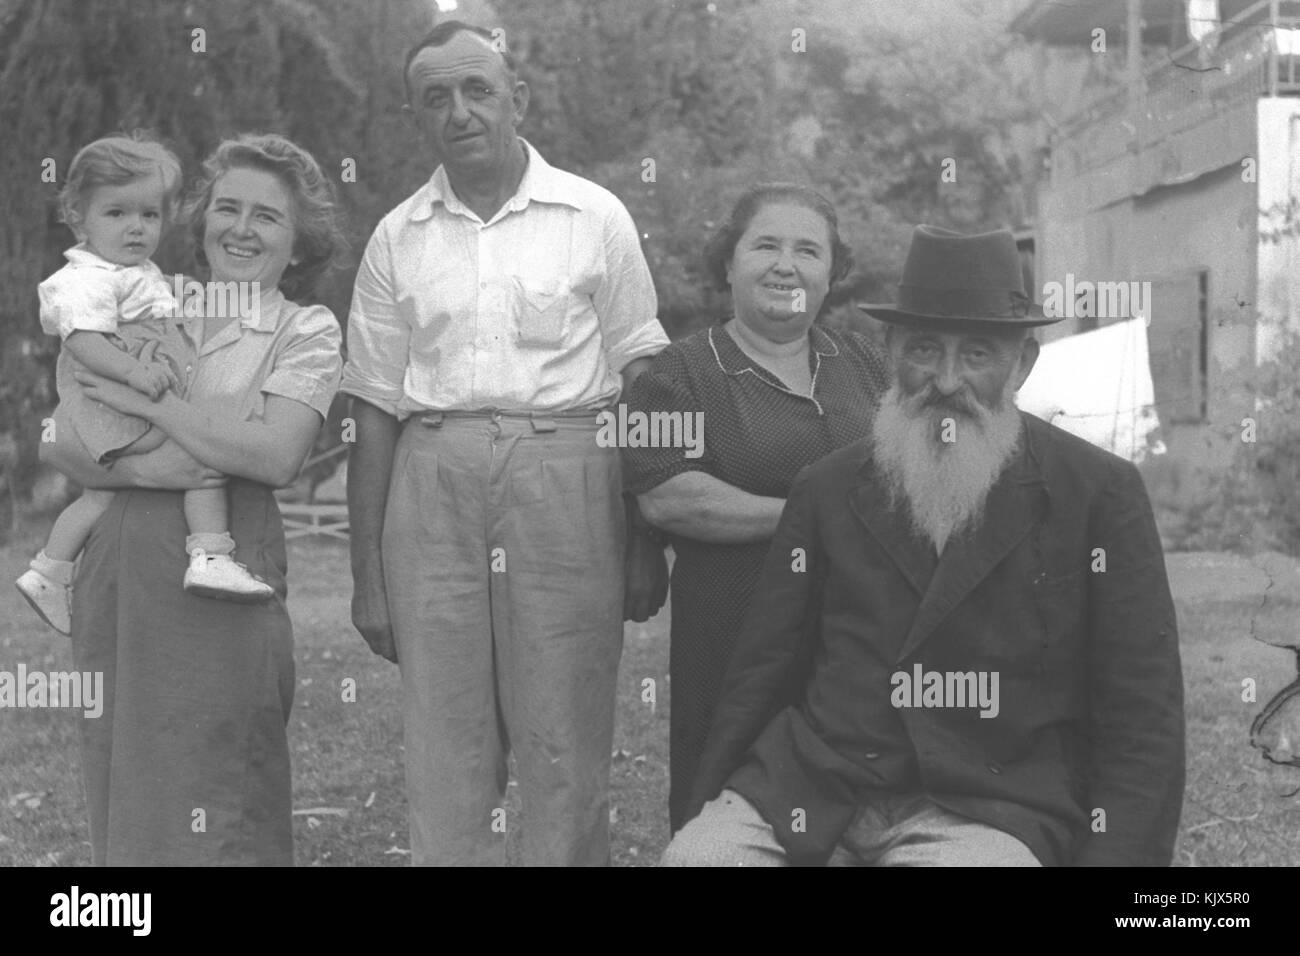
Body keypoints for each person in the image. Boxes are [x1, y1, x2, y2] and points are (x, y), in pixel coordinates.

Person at [661, 225, 1186, 866]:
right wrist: (702, 815)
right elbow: (761, 675)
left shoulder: (1098, 494)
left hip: (988, 807)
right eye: (925, 350)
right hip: (814, 790)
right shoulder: (826, 489)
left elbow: (1143, 716)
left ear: (1021, 364)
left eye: (976, 356)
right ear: (890, 352)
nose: (945, 380)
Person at [342, 20, 669, 866]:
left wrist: (644, 538)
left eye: (477, 89)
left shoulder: (594, 215)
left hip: (568, 474)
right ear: (418, 115)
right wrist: (367, 577)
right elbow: (373, 406)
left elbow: (643, 373)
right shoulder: (395, 236)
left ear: (516, 97)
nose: (460, 111)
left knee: (564, 737)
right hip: (434, 479)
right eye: (436, 98)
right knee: (444, 744)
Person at [40, 133, 346, 865]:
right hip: (117, 569)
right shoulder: (142, 294)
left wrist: (153, 408)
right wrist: (162, 467)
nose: (241, 229)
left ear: (299, 242)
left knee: (220, 784)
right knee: (124, 773)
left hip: (222, 575)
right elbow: (57, 434)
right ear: (202, 218)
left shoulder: (305, 329)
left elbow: (272, 455)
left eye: (267, 217)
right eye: (227, 208)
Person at [622, 183, 888, 832]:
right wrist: (810, 519)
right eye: (765, 245)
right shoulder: (676, 373)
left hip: (857, 633)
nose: (785, 265)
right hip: (734, 631)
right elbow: (667, 496)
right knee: (735, 804)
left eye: (807, 250)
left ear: (831, 272)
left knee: (860, 804)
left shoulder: (865, 361)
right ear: (729, 262)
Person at [16, 133, 272, 635]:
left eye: (149, 215)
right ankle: (211, 551)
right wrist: (135, 371)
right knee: (202, 457)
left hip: (130, 395)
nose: (136, 228)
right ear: (77, 216)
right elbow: (86, 343)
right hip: (122, 396)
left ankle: (49, 569)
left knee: (97, 495)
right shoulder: (86, 278)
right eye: (116, 214)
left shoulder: (133, 271)